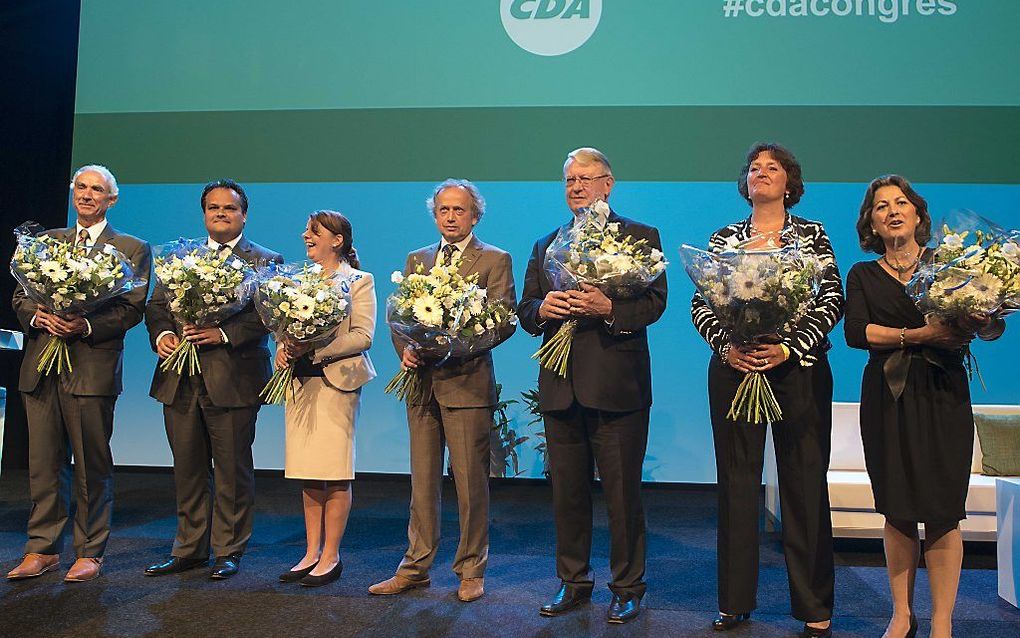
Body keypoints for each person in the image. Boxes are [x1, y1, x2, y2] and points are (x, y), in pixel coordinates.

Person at [690, 143, 843, 637]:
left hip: (798, 372)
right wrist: (727, 348)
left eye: (771, 168)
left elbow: (832, 300)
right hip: (736, 371)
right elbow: (701, 304)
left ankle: (814, 605)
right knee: (737, 486)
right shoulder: (723, 239)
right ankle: (735, 602)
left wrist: (789, 348)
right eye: (754, 168)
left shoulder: (812, 235)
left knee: (803, 487)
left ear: (789, 182)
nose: (761, 173)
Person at [844, 175, 1005, 638]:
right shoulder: (862, 274)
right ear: (871, 223)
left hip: (943, 393)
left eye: (900, 202)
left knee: (942, 508)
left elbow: (992, 329)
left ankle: (942, 620)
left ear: (918, 214)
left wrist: (984, 317)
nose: (892, 210)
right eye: (881, 206)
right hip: (886, 398)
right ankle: (901, 613)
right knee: (896, 508)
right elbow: (858, 333)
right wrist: (918, 336)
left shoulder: (950, 269)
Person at [519, 147, 667, 624]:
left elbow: (654, 304)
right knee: (568, 494)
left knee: (623, 496)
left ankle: (627, 586)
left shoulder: (640, 237)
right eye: (569, 180)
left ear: (608, 184)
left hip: (618, 389)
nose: (577, 187)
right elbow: (525, 309)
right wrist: (543, 309)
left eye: (586, 178)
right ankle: (573, 582)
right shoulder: (547, 244)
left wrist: (610, 310)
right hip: (561, 388)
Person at [369, 179, 516, 603]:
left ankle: (471, 570)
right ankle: (415, 567)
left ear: (475, 215)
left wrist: (452, 346)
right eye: (444, 210)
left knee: (470, 485)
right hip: (422, 385)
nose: (451, 217)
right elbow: (401, 315)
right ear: (435, 215)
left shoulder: (495, 259)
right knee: (422, 482)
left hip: (466, 385)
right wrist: (407, 350)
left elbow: (503, 322)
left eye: (459, 210)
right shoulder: (418, 258)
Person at [6, 165, 151, 583]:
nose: (87, 195)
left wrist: (83, 325)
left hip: (91, 369)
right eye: (81, 187)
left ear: (112, 199)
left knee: (91, 464)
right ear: (74, 193)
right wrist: (39, 319)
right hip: (41, 368)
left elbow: (131, 307)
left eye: (97, 190)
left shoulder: (131, 247)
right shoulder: (47, 242)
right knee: (44, 464)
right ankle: (42, 548)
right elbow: (20, 295)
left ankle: (90, 551)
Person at [144, 179, 282, 580]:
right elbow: (157, 306)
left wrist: (222, 334)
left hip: (234, 378)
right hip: (180, 378)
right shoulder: (181, 256)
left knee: (232, 468)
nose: (221, 214)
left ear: (244, 214)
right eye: (213, 208)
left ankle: (229, 549)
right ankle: (188, 548)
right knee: (187, 467)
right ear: (204, 213)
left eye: (229, 208)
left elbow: (267, 316)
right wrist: (164, 334)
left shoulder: (265, 260)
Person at [275, 211, 376, 587]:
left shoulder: (359, 280)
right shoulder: (298, 279)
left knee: (333, 473)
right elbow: (284, 326)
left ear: (337, 240)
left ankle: (331, 556)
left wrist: (315, 350)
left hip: (337, 384)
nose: (305, 236)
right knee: (308, 473)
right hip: (300, 386)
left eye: (313, 231)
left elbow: (363, 336)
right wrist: (284, 349)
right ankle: (310, 551)